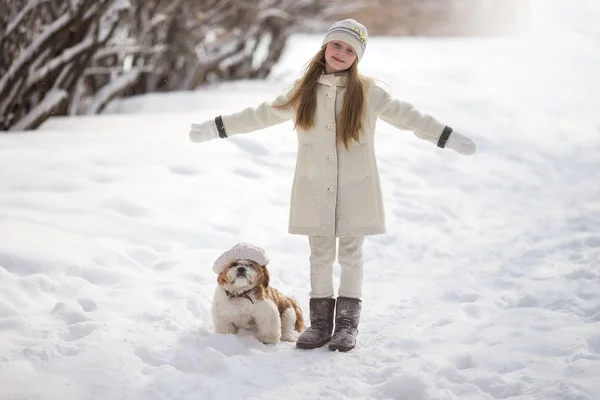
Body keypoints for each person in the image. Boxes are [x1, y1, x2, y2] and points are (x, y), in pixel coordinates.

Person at [189, 19, 476, 352]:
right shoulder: (303, 90)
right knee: (320, 256)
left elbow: (409, 117)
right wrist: (217, 127)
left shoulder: (371, 92)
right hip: (315, 188)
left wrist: (447, 136)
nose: (341, 53)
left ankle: (346, 325)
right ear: (325, 47)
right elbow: (261, 114)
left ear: (357, 58)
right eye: (336, 45)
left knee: (351, 255)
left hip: (358, 188)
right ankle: (321, 324)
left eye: (350, 50)